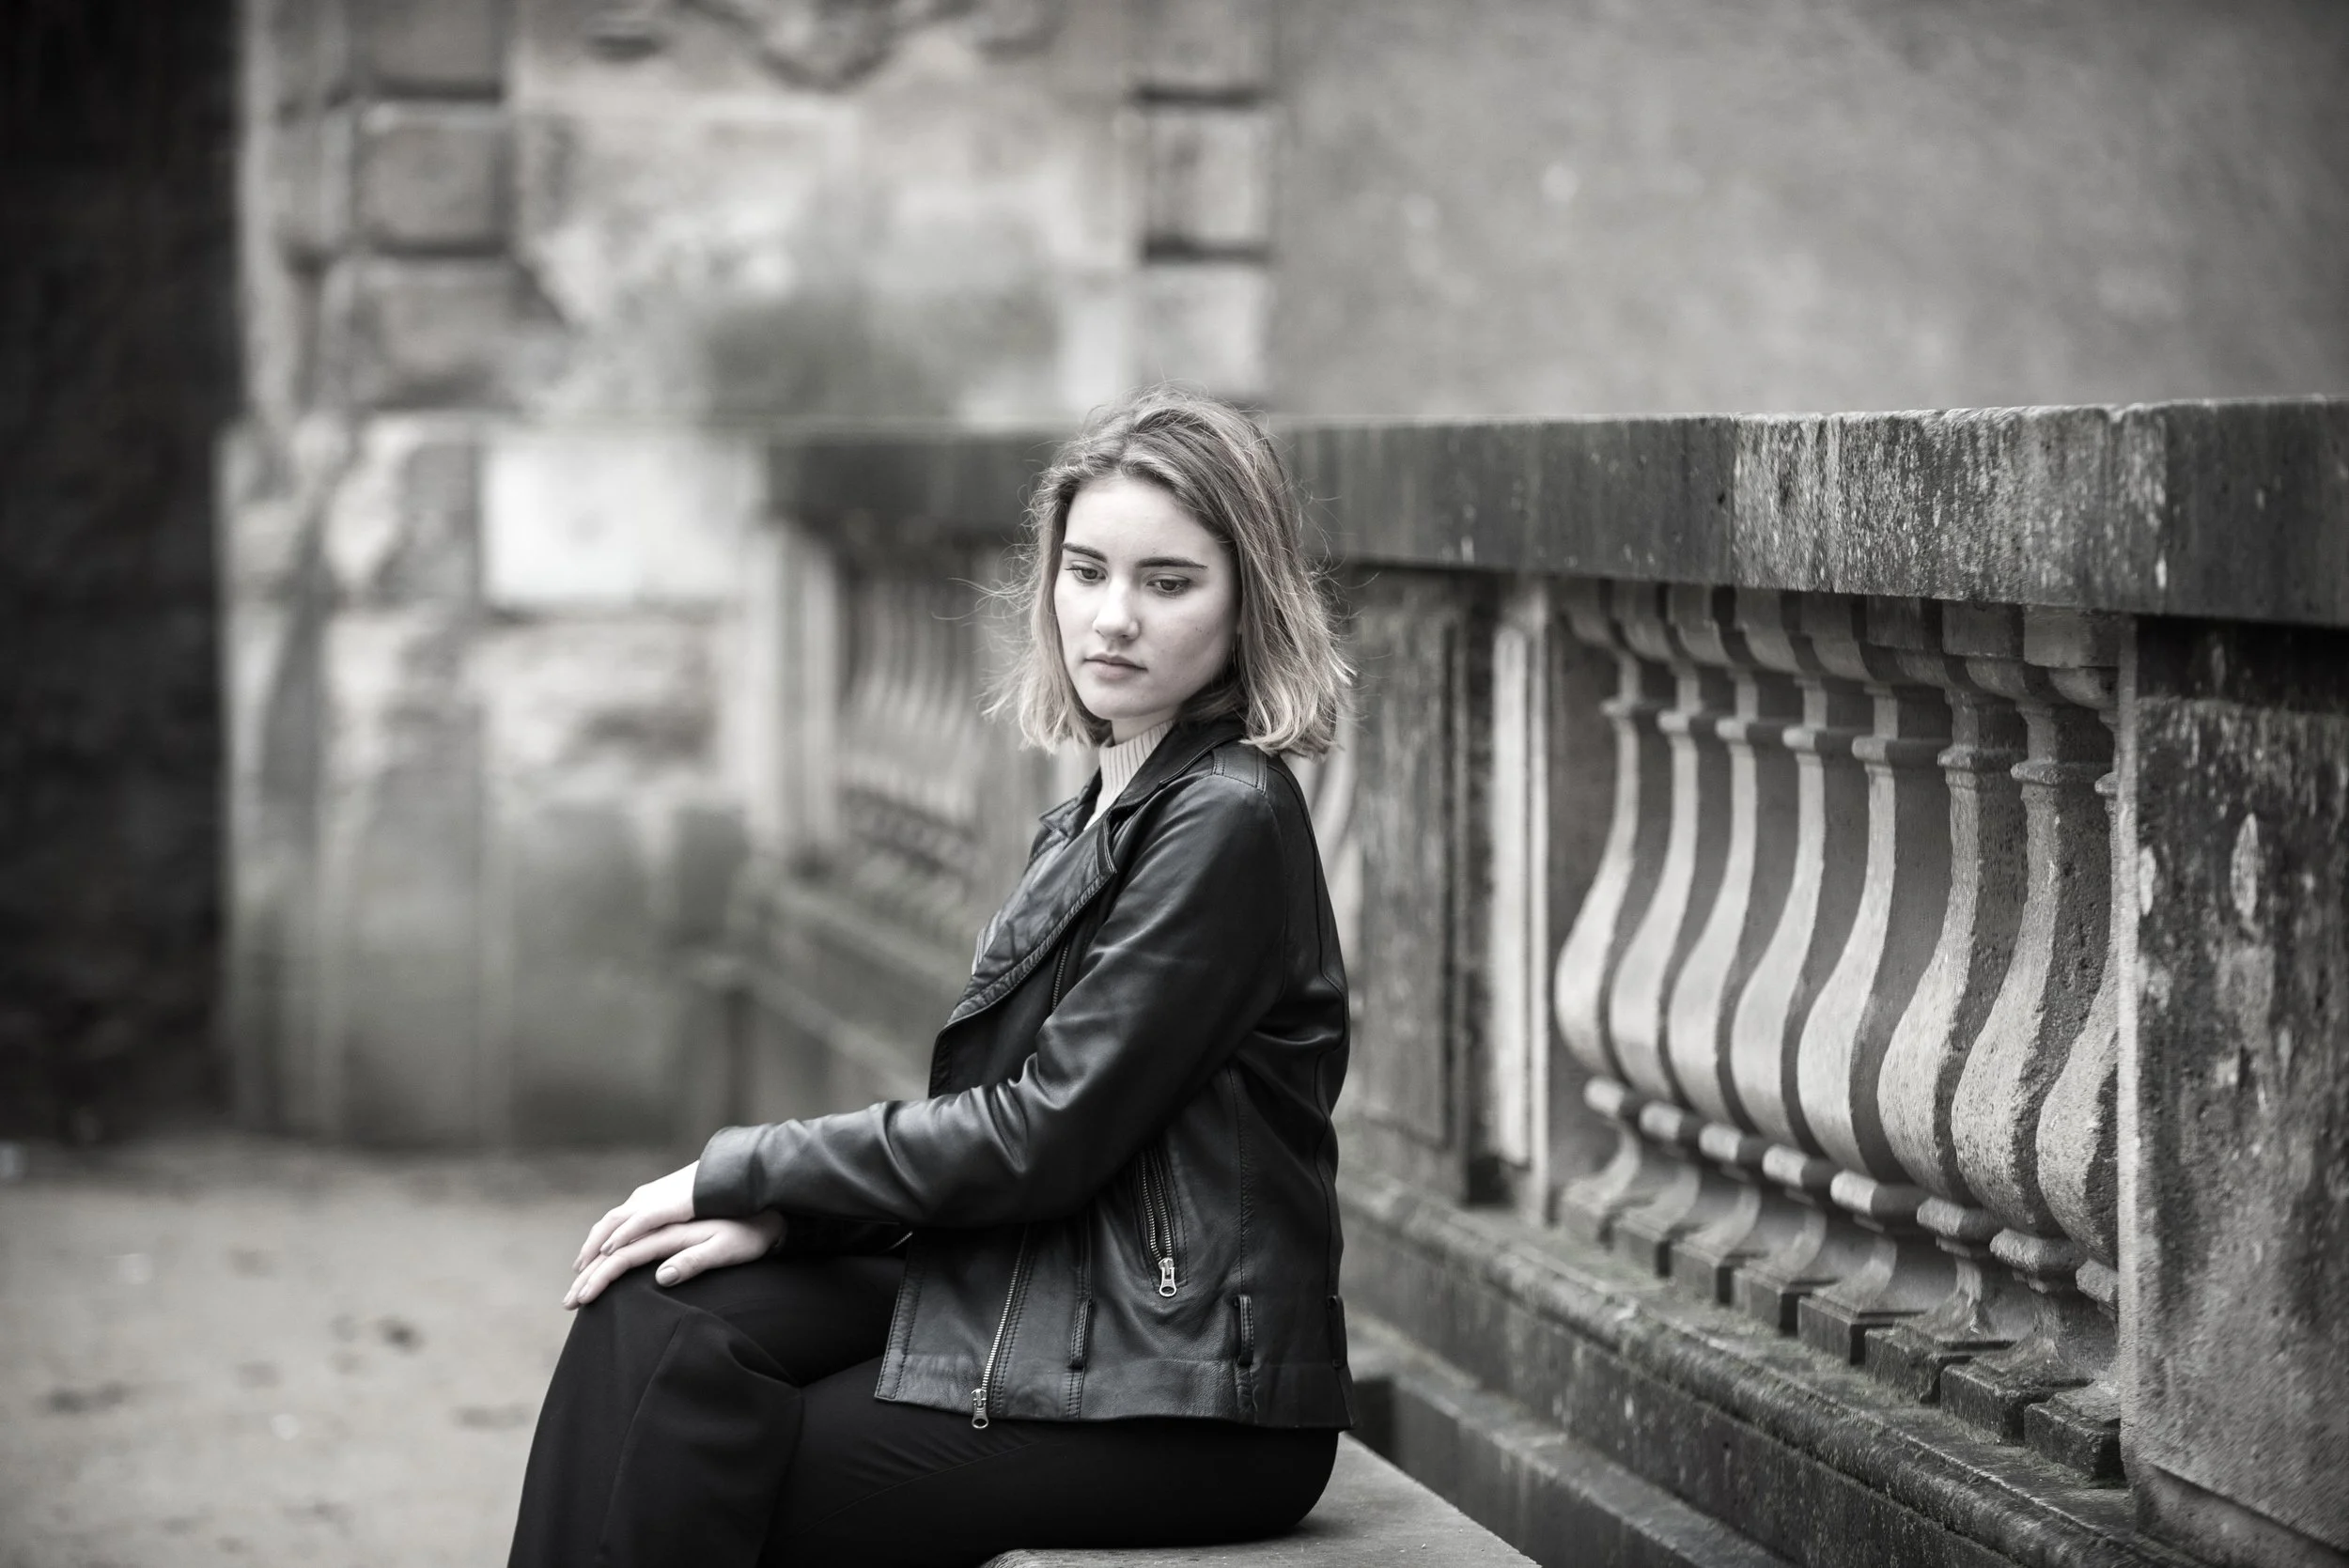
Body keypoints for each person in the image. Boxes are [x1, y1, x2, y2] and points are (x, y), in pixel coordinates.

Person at [507, 387, 1358, 1568]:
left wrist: (752, 1169)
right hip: (1059, 1298)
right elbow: (1020, 1145)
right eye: (1086, 570)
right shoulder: (1108, 807)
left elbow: (1040, 1135)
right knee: (652, 1312)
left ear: (1245, 601)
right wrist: (787, 1216)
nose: (1111, 618)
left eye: (1167, 583)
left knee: (704, 1448)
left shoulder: (1226, 819)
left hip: (1189, 1389)